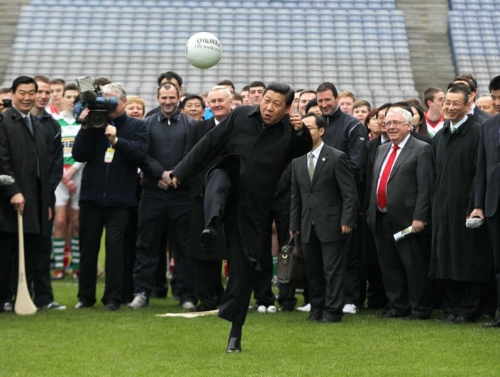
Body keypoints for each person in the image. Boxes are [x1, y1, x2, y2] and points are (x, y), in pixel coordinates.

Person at [171, 82, 312, 352]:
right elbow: (209, 143)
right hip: (225, 184)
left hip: (254, 205)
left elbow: (302, 147)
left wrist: (300, 130)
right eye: (266, 100)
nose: (269, 107)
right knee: (220, 175)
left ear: (287, 108)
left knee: (245, 265)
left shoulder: (290, 133)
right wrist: (181, 171)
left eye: (276, 104)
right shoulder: (239, 116)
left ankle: (235, 333)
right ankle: (212, 228)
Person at [72, 83, 148, 311]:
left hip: (120, 201)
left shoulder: (137, 126)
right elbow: (79, 154)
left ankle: (113, 298)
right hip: (91, 199)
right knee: (88, 249)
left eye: (111, 99)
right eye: (103, 98)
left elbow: (140, 153)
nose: (107, 104)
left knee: (115, 250)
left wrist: (117, 141)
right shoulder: (94, 124)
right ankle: (85, 297)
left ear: (123, 102)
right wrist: (85, 127)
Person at [128, 83, 196, 311]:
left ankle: (185, 294)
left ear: (179, 97)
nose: (168, 101)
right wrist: (160, 173)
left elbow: (193, 155)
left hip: (182, 195)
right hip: (152, 193)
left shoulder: (190, 124)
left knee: (183, 247)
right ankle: (142, 292)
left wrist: (176, 176)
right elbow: (141, 154)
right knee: (146, 244)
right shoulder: (145, 124)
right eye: (163, 97)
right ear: (157, 97)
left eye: (172, 97)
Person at [429, 83, 493, 323]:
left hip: (468, 207)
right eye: (447, 102)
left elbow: (480, 173)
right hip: (443, 207)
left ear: (468, 104)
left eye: (456, 103)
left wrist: (476, 205)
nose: (451, 107)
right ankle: (454, 306)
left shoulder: (479, 131)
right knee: (447, 256)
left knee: (468, 258)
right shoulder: (442, 133)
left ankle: (470, 308)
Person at [367, 107, 434, 319]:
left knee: (413, 267)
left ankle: (420, 309)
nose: (391, 127)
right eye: (388, 123)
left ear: (409, 125)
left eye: (396, 123)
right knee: (389, 266)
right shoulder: (381, 149)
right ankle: (397, 306)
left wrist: (419, 217)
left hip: (408, 220)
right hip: (381, 217)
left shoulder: (421, 149)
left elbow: (426, 187)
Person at [290, 113, 358, 323]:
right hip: (307, 225)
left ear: (321, 131)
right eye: (302, 128)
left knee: (333, 270)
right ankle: (316, 308)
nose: (305, 132)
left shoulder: (337, 157)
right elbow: (296, 196)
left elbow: (349, 194)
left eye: (309, 128)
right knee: (314, 271)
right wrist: (294, 225)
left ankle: (332, 310)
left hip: (332, 224)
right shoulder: (297, 160)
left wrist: (347, 220)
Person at [0, 76, 54, 312]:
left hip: (34, 201)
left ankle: (23, 295)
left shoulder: (37, 125)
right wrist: (13, 191)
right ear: (12, 94)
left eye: (32, 93)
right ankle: (4, 298)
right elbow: (2, 160)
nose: (28, 97)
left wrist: (46, 202)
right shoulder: (4, 121)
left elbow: (43, 167)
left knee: (31, 251)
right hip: (8, 201)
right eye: (22, 92)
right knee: (6, 253)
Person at [316, 82, 367, 315]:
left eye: (328, 100)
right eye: (320, 101)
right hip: (319, 199)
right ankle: (325, 297)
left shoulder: (353, 126)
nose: (324, 104)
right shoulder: (317, 124)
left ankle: (351, 298)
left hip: (345, 198)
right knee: (323, 251)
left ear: (337, 99)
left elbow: (356, 166)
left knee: (349, 250)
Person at [185, 85, 232, 312]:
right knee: (202, 249)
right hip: (202, 199)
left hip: (232, 200)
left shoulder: (240, 127)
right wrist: (202, 191)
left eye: (221, 100)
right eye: (213, 101)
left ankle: (229, 296)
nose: (217, 104)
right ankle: (207, 298)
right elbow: (191, 161)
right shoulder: (198, 128)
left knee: (228, 250)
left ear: (230, 102)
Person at [30, 76, 65, 309]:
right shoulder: (12, 121)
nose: (43, 96)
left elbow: (56, 164)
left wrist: (47, 192)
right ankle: (12, 296)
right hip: (19, 196)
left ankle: (44, 298)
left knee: (43, 247)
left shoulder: (52, 125)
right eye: (39, 91)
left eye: (46, 92)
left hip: (44, 197)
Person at [471, 76, 500, 328]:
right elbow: (482, 168)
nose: (497, 102)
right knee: (498, 263)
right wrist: (479, 204)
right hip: (494, 205)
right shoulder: (488, 127)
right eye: (494, 97)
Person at [52, 83, 82, 280]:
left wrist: (72, 172)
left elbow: (86, 152)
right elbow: (52, 151)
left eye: (75, 97)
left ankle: (77, 266)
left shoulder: (83, 123)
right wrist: (64, 175)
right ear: (61, 99)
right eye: (68, 96)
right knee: (60, 221)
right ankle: (59, 265)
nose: (71, 100)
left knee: (78, 223)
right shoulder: (55, 122)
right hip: (59, 178)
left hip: (79, 175)